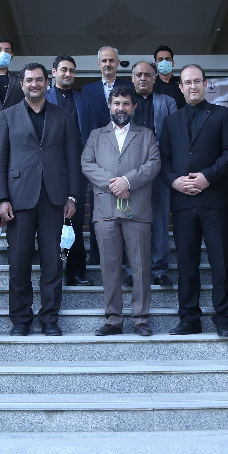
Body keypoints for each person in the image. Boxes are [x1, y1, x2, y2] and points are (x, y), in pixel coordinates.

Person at [0, 63, 83, 336]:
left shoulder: (63, 115)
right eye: (30, 80)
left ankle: (49, 318)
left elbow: (73, 158)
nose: (35, 84)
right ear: (22, 84)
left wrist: (72, 196)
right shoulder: (7, 116)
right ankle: (21, 319)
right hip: (18, 198)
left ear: (47, 82)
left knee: (53, 262)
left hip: (54, 198)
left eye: (40, 80)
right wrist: (2, 199)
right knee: (19, 262)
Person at [159, 64, 228, 336]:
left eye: (197, 81)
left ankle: (223, 318)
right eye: (187, 82)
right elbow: (164, 159)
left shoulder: (223, 115)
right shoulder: (170, 121)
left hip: (214, 199)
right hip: (183, 202)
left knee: (221, 261)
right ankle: (189, 318)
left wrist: (207, 177)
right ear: (180, 87)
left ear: (206, 84)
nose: (192, 86)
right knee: (186, 263)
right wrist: (174, 181)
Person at [81, 85, 162, 336]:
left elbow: (154, 164)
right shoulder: (96, 135)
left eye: (126, 103)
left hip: (137, 209)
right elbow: (86, 164)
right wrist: (114, 184)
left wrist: (128, 181)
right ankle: (113, 320)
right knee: (109, 268)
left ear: (134, 106)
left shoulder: (146, 135)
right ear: (109, 105)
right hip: (105, 210)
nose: (121, 108)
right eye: (116, 103)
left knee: (140, 267)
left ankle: (141, 319)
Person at [46, 55, 94, 287]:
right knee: (50, 222)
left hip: (77, 168)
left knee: (75, 220)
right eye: (63, 69)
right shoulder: (43, 96)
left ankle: (76, 271)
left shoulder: (83, 100)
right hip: (49, 167)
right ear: (54, 72)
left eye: (71, 71)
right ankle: (52, 271)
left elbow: (91, 131)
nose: (67, 74)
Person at [130, 60, 177, 287]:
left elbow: (174, 135)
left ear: (154, 78)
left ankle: (159, 270)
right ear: (132, 78)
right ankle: (133, 271)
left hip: (158, 170)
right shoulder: (125, 102)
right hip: (130, 171)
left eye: (147, 75)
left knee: (159, 221)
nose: (143, 78)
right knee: (132, 222)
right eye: (139, 75)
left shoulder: (167, 102)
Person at [81, 46, 130, 264]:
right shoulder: (87, 90)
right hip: (99, 155)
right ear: (98, 64)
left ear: (117, 63)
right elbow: (86, 123)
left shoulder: (128, 87)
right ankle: (96, 253)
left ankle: (125, 254)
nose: (108, 64)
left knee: (125, 205)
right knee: (98, 205)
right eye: (104, 61)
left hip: (125, 152)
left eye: (111, 60)